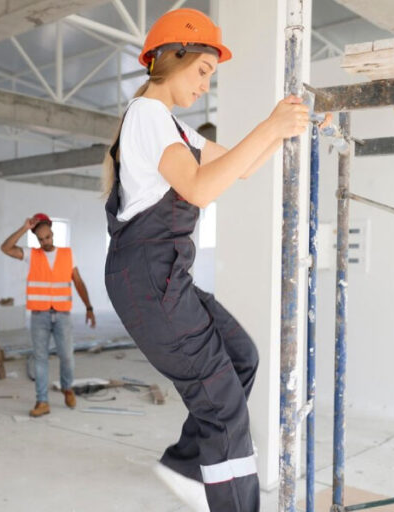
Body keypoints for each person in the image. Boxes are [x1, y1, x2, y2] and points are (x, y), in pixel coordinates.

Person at [102, 8, 325, 512]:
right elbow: (201, 187)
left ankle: (185, 466)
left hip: (162, 276)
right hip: (148, 279)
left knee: (241, 356)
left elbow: (239, 168)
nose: (206, 84)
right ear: (171, 58)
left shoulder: (176, 130)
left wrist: (291, 128)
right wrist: (270, 125)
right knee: (223, 407)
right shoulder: (147, 116)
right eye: (202, 70)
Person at [1, 213, 96, 418]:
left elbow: (78, 282)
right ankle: (42, 401)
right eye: (41, 239)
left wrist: (89, 307)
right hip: (39, 316)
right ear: (36, 239)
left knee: (67, 357)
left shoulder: (67, 254)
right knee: (40, 359)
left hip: (62, 315)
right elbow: (5, 248)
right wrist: (24, 228)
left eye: (48, 237)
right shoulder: (31, 254)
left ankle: (67, 388)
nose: (45, 242)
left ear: (53, 233)